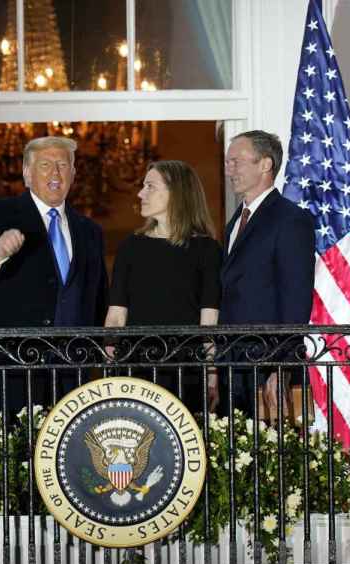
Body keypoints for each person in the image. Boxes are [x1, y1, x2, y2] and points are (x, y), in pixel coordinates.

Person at [0, 136, 108, 423]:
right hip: (8, 371)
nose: (55, 173)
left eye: (63, 165)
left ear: (73, 174)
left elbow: (98, 300)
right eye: (46, 165)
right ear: (27, 173)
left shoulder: (90, 231)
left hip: (70, 378)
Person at [104, 160, 222, 415]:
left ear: (177, 193)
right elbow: (116, 315)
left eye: (150, 186)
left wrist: (212, 373)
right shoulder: (131, 247)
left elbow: (209, 320)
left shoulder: (207, 250)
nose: (140, 194)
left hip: (187, 368)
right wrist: (109, 369)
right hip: (134, 367)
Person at [220, 130, 315, 419]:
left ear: (265, 165)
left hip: (267, 364)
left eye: (236, 161)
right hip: (234, 363)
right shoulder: (236, 220)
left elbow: (295, 298)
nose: (229, 169)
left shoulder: (290, 219)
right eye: (227, 162)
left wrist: (281, 367)